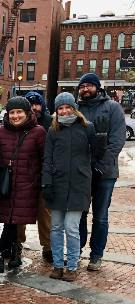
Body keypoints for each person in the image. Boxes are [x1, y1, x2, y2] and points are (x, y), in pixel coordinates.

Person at [42, 93, 108, 282]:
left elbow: (98, 153)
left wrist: (101, 137)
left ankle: (71, 266)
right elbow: (47, 159)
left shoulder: (87, 128)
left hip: (79, 184)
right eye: (60, 108)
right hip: (57, 183)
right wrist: (46, 182)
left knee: (71, 228)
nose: (64, 111)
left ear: (74, 108)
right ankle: (57, 265)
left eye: (67, 107)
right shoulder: (53, 131)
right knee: (55, 227)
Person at [0, 97, 47, 274]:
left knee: (14, 220)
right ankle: (12, 253)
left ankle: (1, 254)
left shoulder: (38, 132)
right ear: (7, 114)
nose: (16, 116)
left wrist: (45, 184)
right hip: (6, 185)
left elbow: (45, 160)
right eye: (12, 112)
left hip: (28, 185)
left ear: (27, 113)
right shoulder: (0, 133)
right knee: (10, 220)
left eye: (19, 112)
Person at [76, 73, 126, 271]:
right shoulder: (76, 108)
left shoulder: (113, 108)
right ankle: (76, 250)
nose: (85, 89)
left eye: (89, 86)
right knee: (78, 214)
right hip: (81, 172)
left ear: (97, 87)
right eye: (82, 86)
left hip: (105, 174)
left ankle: (96, 254)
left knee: (100, 216)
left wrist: (100, 167)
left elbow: (117, 141)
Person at [14, 91, 53, 262]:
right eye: (30, 105)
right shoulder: (20, 124)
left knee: (45, 215)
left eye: (37, 104)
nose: (34, 108)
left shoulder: (51, 123)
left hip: (43, 175)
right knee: (19, 215)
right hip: (24, 177)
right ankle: (16, 246)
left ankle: (49, 247)